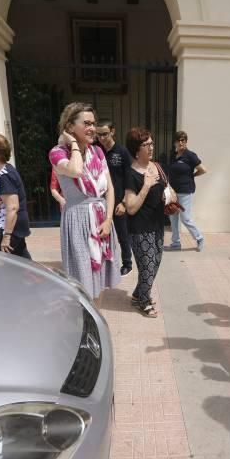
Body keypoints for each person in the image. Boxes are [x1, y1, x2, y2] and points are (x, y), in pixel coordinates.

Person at [48, 102, 120, 300]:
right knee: (82, 281)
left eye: (93, 123)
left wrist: (108, 220)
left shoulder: (97, 151)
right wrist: (72, 143)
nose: (92, 128)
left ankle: (96, 321)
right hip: (78, 220)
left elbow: (110, 187)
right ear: (70, 127)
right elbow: (75, 170)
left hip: (101, 217)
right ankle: (86, 321)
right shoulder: (57, 153)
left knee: (100, 277)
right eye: (86, 123)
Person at [123, 127, 171, 318]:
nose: (151, 147)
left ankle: (137, 295)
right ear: (136, 149)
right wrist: (146, 185)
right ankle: (143, 301)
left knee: (155, 264)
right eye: (146, 144)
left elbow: (167, 188)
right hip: (140, 229)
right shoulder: (131, 173)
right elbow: (131, 207)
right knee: (147, 267)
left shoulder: (156, 166)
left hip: (158, 225)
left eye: (151, 143)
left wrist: (170, 195)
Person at [96, 119, 134, 275]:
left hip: (118, 202)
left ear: (113, 131)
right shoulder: (96, 151)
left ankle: (127, 263)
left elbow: (129, 178)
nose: (102, 138)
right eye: (99, 135)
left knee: (122, 234)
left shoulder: (122, 152)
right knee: (102, 234)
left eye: (105, 134)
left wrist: (124, 202)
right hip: (100, 202)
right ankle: (105, 263)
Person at [167, 130, 207, 252]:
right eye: (178, 140)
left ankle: (199, 238)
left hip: (185, 191)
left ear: (186, 142)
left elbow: (203, 169)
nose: (180, 142)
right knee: (173, 216)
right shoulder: (173, 156)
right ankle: (175, 243)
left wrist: (193, 176)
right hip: (173, 191)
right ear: (174, 142)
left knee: (185, 218)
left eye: (183, 140)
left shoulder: (190, 155)